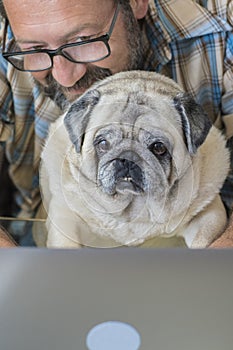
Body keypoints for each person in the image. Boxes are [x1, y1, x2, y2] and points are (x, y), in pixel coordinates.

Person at [0, 0, 232, 247]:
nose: (64, 76)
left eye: (82, 41)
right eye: (34, 49)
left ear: (136, 3)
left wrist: (213, 266)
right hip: (43, 229)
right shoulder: (7, 37)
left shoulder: (224, 21)